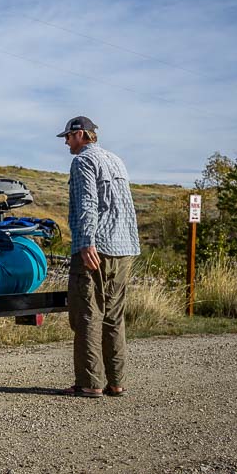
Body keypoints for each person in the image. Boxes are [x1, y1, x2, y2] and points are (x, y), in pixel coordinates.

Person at [57, 116, 140, 398]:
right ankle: (116, 382)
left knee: (87, 315)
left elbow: (88, 204)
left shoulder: (82, 161)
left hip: (97, 247)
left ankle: (89, 383)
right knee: (114, 316)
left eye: (68, 136)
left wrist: (87, 242)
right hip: (124, 247)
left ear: (81, 135)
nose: (66, 142)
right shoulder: (116, 160)